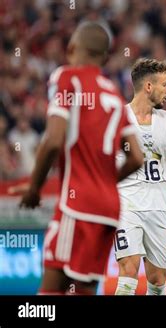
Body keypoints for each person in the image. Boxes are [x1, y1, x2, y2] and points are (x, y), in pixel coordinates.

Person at [8, 22, 143, 295]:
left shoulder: (68, 77)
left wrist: (34, 187)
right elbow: (136, 157)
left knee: (48, 295)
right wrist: (104, 183)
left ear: (71, 49)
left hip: (76, 204)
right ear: (105, 58)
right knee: (82, 290)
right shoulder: (115, 95)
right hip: (109, 209)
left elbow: (53, 140)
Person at [114, 58, 166, 295]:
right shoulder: (117, 118)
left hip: (159, 207)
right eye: (165, 84)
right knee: (129, 267)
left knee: (157, 280)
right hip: (126, 205)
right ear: (148, 86)